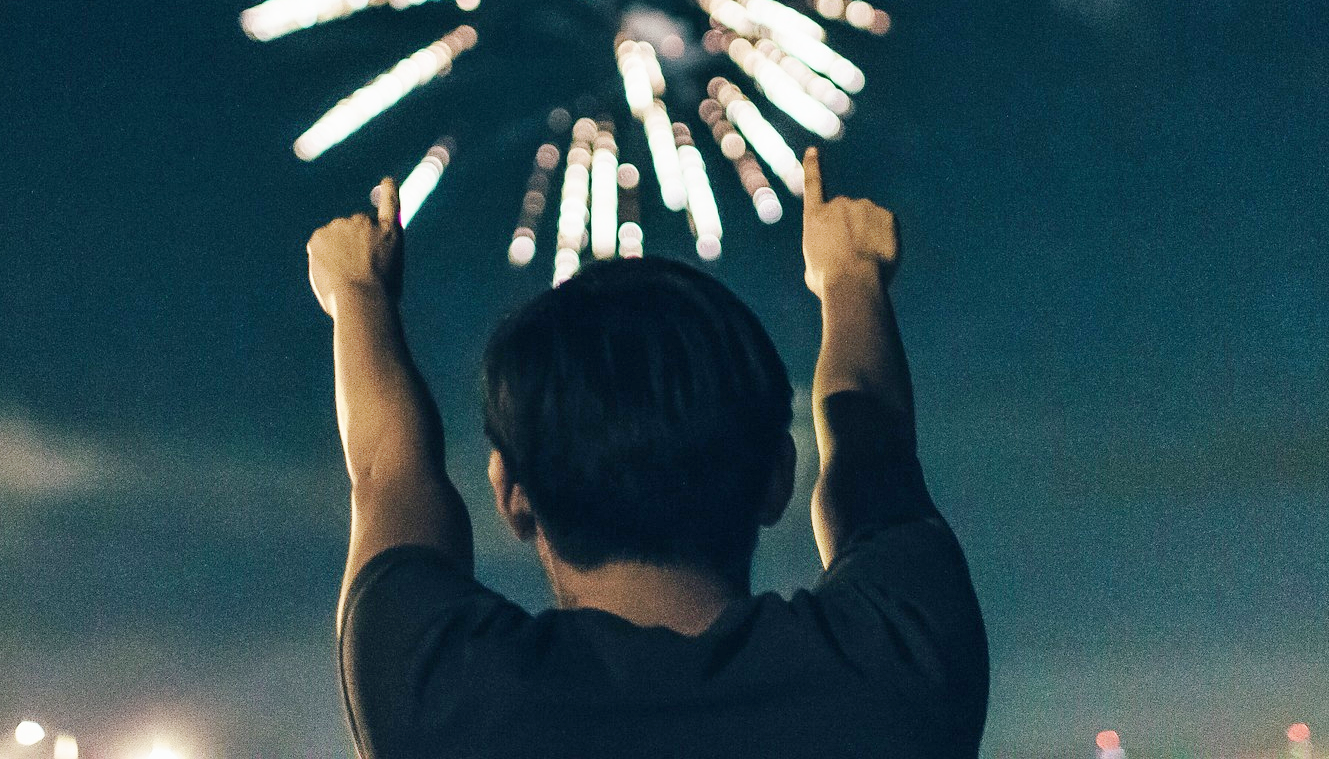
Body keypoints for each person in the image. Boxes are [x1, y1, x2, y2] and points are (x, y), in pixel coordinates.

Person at [307, 147, 987, 757]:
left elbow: (387, 472)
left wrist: (358, 292)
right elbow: (874, 455)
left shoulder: (441, 699)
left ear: (511, 494)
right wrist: (852, 275)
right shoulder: (901, 667)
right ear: (778, 477)